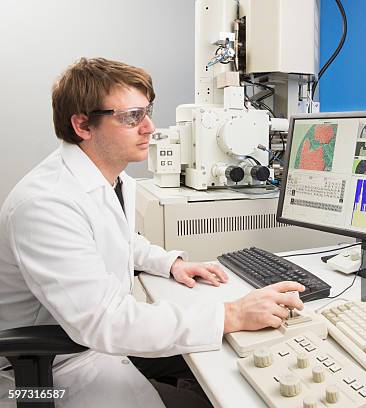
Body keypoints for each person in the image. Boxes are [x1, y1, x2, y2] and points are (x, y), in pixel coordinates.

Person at [0, 57, 304, 408]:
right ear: (83, 125)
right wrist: (231, 314)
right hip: (49, 374)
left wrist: (169, 263)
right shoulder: (45, 204)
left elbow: (119, 240)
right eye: (131, 117)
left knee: (220, 368)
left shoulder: (111, 179)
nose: (149, 127)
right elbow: (105, 322)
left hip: (89, 345)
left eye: (147, 112)